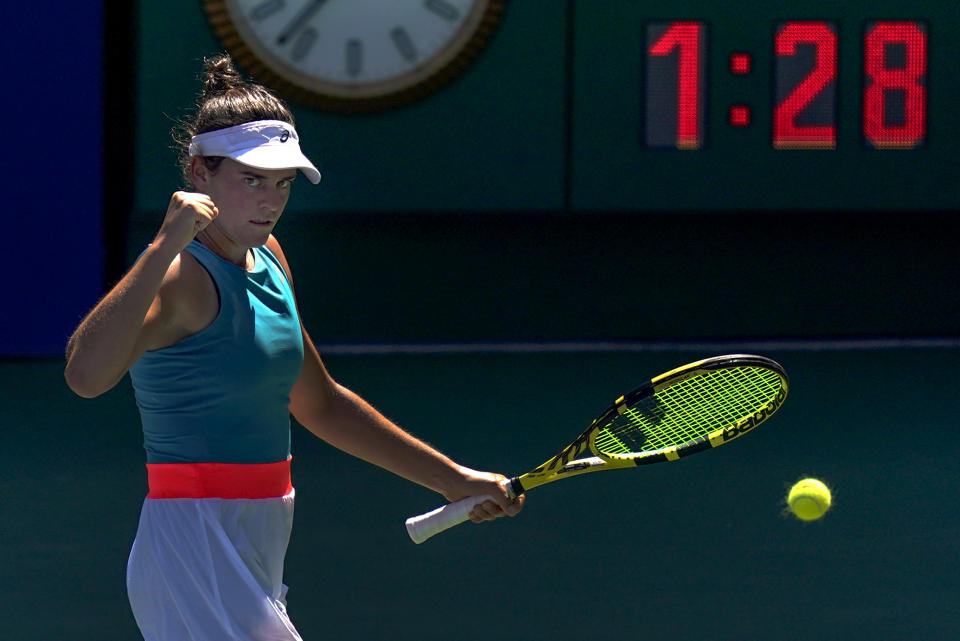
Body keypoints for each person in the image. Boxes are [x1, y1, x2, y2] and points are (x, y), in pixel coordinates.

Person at [64, 54, 523, 641]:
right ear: (198, 173)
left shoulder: (270, 257)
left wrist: (452, 478)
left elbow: (320, 403)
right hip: (193, 541)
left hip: (261, 535)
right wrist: (159, 250)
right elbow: (85, 376)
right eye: (251, 179)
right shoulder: (179, 277)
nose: (269, 200)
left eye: (282, 183)